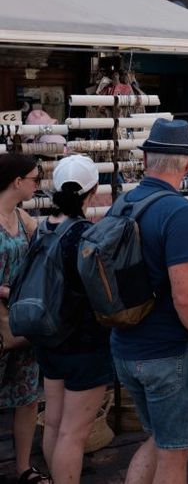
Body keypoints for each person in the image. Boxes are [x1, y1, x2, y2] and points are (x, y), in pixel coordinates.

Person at [111, 119, 188, 484]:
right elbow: (185, 295)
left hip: (126, 347)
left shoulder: (123, 203)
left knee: (158, 440)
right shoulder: (180, 212)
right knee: (174, 454)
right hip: (168, 352)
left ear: (144, 160)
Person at [35, 156, 113, 484]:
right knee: (74, 433)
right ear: (93, 191)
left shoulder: (42, 228)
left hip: (49, 338)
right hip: (84, 343)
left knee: (53, 423)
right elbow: (103, 296)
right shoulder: (84, 235)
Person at [0, 154, 45, 483]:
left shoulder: (22, 217)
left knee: (28, 398)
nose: (37, 185)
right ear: (17, 181)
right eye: (34, 178)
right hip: (4, 315)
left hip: (20, 319)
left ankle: (23, 467)